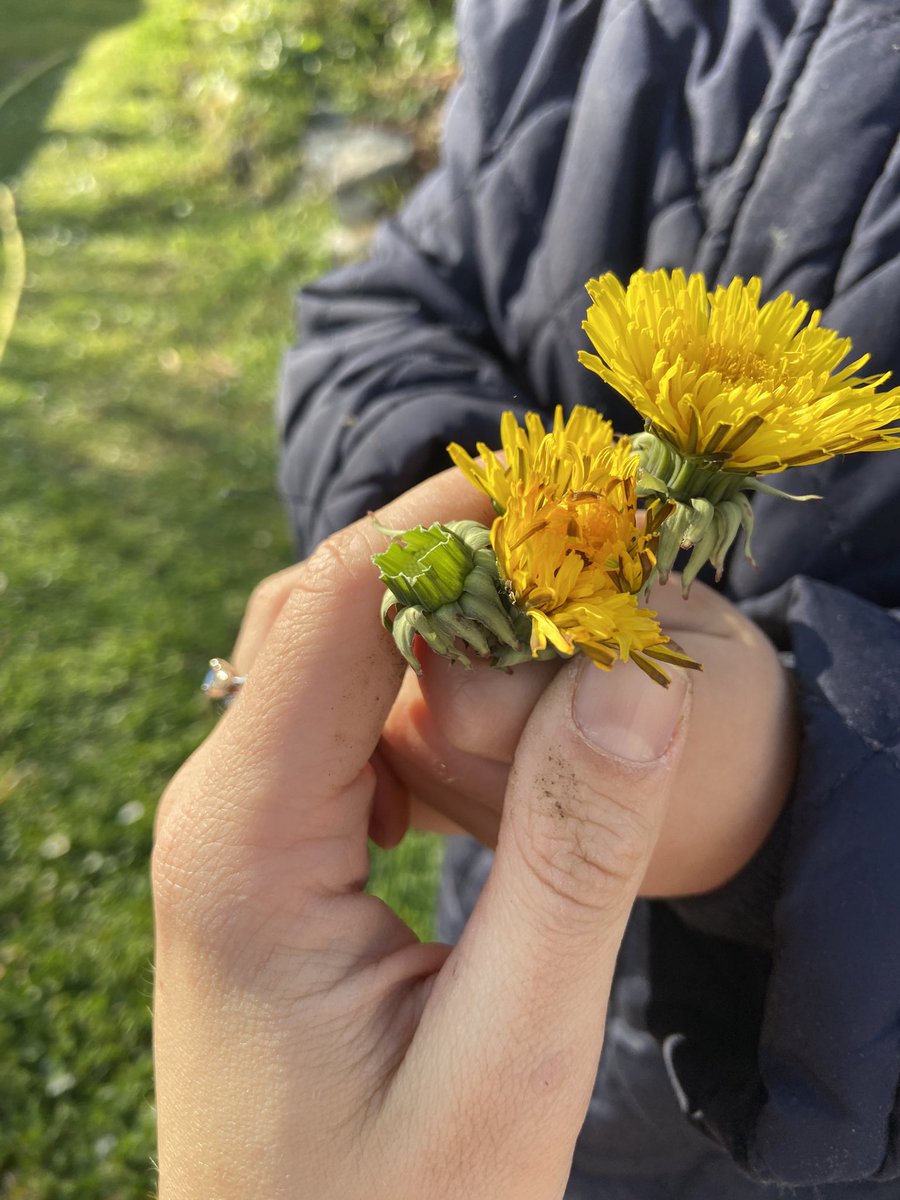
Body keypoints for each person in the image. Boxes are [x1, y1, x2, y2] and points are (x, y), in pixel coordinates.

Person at [154, 1, 900, 1196]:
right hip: (479, 977)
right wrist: (458, 524)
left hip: (808, 1102)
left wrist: (793, 789)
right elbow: (391, 296)